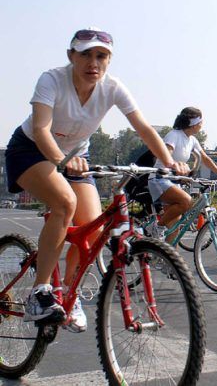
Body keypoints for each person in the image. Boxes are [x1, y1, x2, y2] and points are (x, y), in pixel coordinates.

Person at [4, 28, 189, 332]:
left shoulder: (113, 87)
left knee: (93, 230)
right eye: (86, 54)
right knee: (65, 203)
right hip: (31, 150)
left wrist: (170, 163)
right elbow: (41, 130)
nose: (93, 62)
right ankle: (40, 293)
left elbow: (144, 129)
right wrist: (62, 160)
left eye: (101, 56)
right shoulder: (51, 79)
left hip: (77, 156)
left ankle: (68, 293)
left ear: (109, 60)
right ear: (71, 56)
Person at [147, 107, 217, 240]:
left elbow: (204, 158)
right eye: (201, 122)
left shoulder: (192, 140)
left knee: (174, 228)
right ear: (193, 123)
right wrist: (174, 165)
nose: (202, 125)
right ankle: (157, 227)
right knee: (187, 201)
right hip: (160, 179)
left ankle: (164, 253)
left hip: (174, 181)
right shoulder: (174, 135)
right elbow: (166, 153)